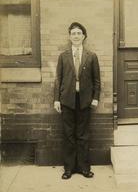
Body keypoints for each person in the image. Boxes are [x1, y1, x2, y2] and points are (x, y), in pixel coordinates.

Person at [54, 22, 101, 179]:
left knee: (83, 135)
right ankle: (69, 169)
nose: (76, 36)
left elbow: (97, 81)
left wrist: (95, 98)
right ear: (69, 37)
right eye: (73, 33)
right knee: (68, 135)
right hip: (67, 100)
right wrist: (56, 100)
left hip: (85, 101)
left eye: (78, 33)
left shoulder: (91, 56)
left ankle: (84, 168)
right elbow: (58, 80)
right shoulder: (63, 56)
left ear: (84, 36)